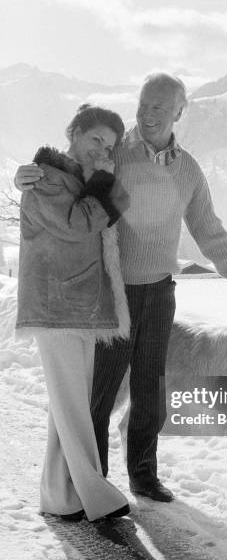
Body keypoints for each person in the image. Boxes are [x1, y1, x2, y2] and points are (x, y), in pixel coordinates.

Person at [15, 73, 227, 504]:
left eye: (159, 108)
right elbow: (68, 177)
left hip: (160, 291)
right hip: (113, 294)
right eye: (143, 105)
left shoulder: (188, 169)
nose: (148, 115)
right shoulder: (115, 154)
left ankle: (143, 475)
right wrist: (26, 175)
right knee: (103, 390)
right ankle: (90, 481)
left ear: (178, 113)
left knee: (151, 388)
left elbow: (209, 230)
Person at [15, 104, 131, 522]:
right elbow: (78, 224)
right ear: (74, 133)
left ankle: (60, 497)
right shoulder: (45, 179)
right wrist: (105, 184)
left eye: (109, 145)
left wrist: (102, 184)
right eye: (95, 138)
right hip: (56, 306)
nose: (101, 149)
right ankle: (96, 494)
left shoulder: (77, 180)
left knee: (68, 405)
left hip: (77, 306)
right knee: (73, 407)